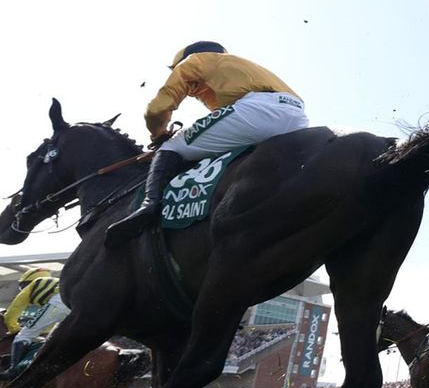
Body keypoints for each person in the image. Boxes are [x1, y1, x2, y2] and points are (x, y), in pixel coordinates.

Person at [107, 42, 308, 244]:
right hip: (298, 116)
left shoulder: (196, 61)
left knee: (172, 146)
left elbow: (156, 110)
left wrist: (158, 136)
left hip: (256, 111)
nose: (193, 91)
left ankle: (149, 206)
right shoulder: (242, 68)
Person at [1, 268, 66, 380]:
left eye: (21, 286)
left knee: (24, 334)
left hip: (59, 302)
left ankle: (13, 370)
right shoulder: (54, 284)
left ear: (27, 283)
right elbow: (48, 326)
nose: (21, 290)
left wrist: (15, 329)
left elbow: (11, 315)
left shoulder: (33, 285)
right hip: (77, 304)